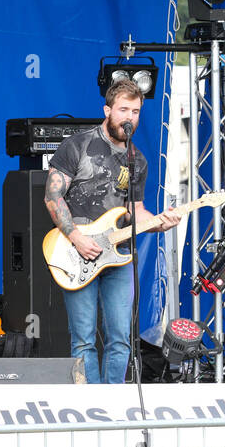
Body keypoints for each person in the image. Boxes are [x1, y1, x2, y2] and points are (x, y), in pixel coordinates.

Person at [44, 79, 181, 384]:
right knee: (83, 340)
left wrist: (159, 222)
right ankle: (90, 408)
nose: (129, 116)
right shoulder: (76, 146)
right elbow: (52, 197)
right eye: (123, 109)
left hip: (117, 255)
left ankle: (114, 406)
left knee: (120, 339)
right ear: (107, 110)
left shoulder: (138, 160)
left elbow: (134, 210)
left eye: (135, 111)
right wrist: (77, 238)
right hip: (77, 251)